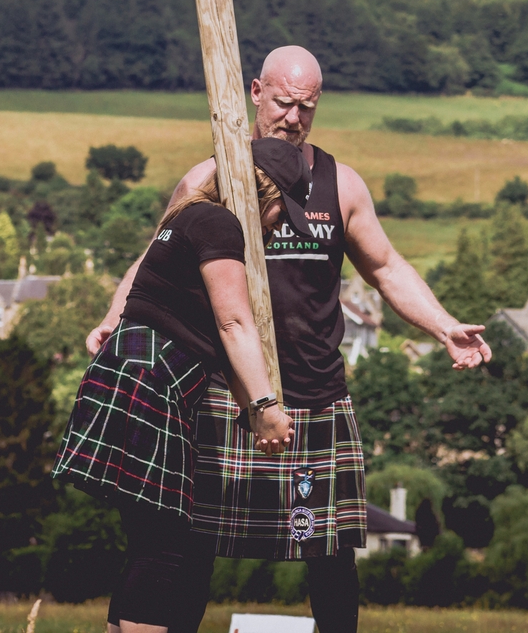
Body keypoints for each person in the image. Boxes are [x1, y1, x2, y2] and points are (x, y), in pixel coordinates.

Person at [87, 45, 492, 633]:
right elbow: (155, 260)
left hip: (316, 395)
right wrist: (112, 318)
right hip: (224, 393)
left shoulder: (340, 184)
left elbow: (385, 267)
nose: (294, 118)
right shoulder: (210, 179)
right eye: (283, 103)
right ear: (256, 92)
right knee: (191, 545)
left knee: (329, 553)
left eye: (307, 106)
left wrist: (443, 325)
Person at [55, 138, 315, 633]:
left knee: (151, 540)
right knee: (167, 544)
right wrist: (266, 403)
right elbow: (233, 324)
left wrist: (254, 416)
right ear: (264, 190)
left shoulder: (189, 213)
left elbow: (216, 344)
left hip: (133, 375)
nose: (280, 226)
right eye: (283, 211)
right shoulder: (220, 223)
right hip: (152, 382)